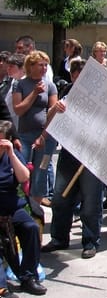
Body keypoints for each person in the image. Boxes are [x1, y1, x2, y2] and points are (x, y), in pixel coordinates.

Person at [40, 59, 105, 259]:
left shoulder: (103, 98)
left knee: (91, 202)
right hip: (69, 153)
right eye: (76, 76)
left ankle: (90, 242)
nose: (80, 80)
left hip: (93, 156)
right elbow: (49, 122)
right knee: (60, 198)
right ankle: (59, 238)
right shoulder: (67, 93)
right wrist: (55, 109)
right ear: (72, 76)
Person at [0, 120, 46, 297]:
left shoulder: (12, 155)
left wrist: (11, 153)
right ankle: (1, 288)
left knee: (31, 228)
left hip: (12, 207)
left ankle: (28, 277)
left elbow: (24, 177)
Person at [12, 51, 58, 205]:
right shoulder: (20, 84)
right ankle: (20, 201)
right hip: (25, 136)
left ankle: (37, 205)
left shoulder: (50, 85)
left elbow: (53, 112)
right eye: (40, 65)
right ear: (30, 66)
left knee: (41, 170)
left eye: (46, 65)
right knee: (21, 168)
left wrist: (43, 136)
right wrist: (34, 93)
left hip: (45, 138)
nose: (44, 68)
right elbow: (18, 110)